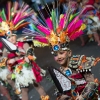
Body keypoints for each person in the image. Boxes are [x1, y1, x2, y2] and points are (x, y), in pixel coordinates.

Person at [22, 1, 100, 99]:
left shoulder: (80, 62)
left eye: (61, 53)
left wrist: (82, 97)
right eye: (55, 55)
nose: (58, 56)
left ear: (69, 52)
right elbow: (65, 90)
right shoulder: (60, 70)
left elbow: (92, 83)